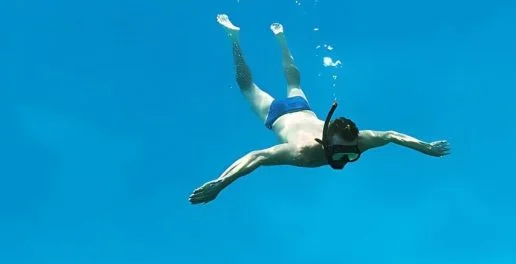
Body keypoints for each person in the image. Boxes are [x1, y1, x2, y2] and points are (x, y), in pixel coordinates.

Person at [188, 15, 452, 205]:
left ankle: (280, 40)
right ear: (326, 141)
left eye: (351, 154)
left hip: (300, 109)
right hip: (278, 114)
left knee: (293, 82)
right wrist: (221, 183)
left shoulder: (359, 142)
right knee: (247, 86)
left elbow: (393, 135)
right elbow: (255, 158)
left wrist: (425, 147)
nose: (344, 159)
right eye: (343, 153)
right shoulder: (302, 150)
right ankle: (236, 39)